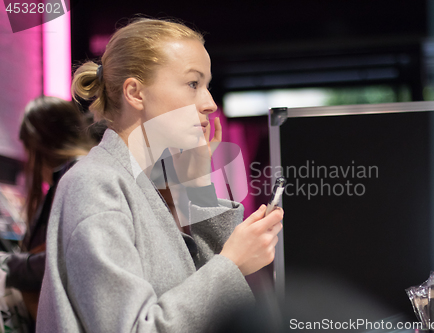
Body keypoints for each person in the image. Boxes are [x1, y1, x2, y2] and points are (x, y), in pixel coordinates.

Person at [37, 18, 283, 332]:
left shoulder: (143, 183)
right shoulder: (95, 184)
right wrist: (232, 263)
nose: (209, 104)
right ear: (135, 93)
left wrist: (196, 182)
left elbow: (221, 311)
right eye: (193, 84)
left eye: (206, 86)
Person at [4, 96, 93, 330]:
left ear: (38, 143)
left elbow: (67, 257)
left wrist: (9, 265)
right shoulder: (82, 171)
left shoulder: (76, 175)